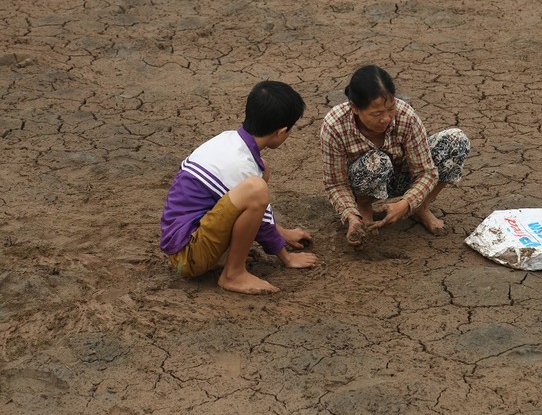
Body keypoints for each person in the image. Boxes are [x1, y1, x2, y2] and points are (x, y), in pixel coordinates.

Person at [160, 80, 317, 294]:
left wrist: (281, 233)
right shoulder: (241, 165)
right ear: (281, 132)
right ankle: (234, 274)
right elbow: (259, 218)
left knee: (261, 172)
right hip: (186, 256)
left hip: (187, 239)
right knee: (255, 188)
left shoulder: (229, 141)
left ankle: (223, 259)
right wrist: (286, 257)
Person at [320, 64, 470, 248]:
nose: (386, 118)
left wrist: (407, 203)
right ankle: (363, 212)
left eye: (390, 109)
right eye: (376, 113)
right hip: (365, 179)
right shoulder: (334, 125)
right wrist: (351, 216)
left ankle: (419, 207)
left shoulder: (406, 116)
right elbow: (335, 183)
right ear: (355, 108)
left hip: (402, 176)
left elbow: (426, 172)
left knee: (456, 140)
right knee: (376, 161)